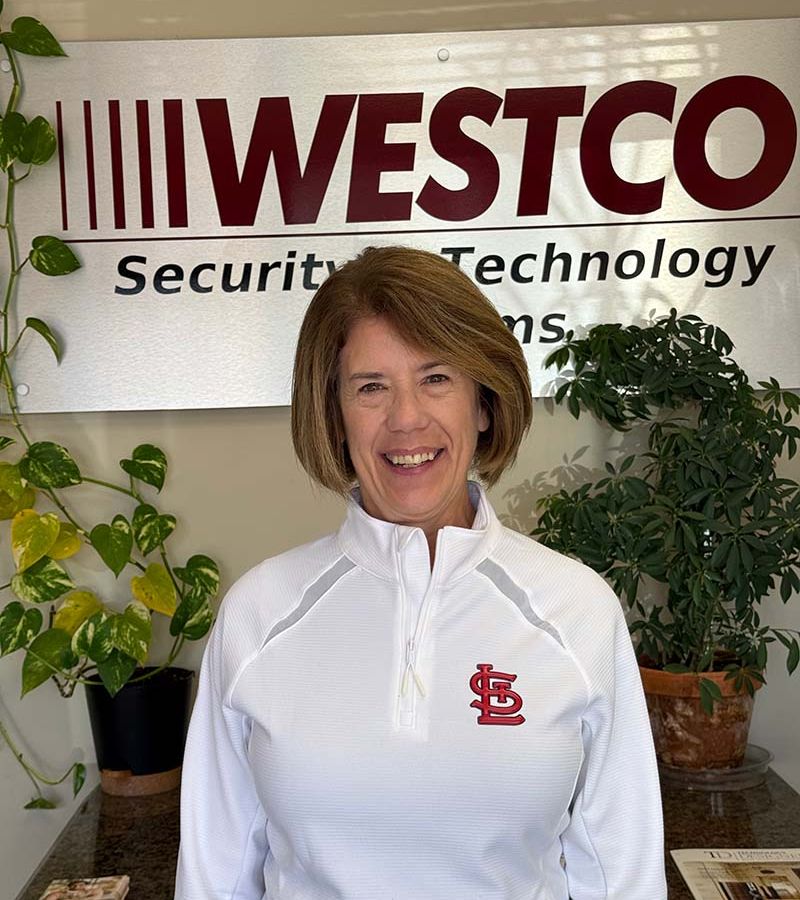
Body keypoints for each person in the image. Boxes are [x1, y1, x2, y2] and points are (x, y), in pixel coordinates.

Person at [175, 245, 667, 899]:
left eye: (436, 378)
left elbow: (621, 877)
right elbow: (214, 877)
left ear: (484, 403)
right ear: (335, 414)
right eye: (371, 387)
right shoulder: (259, 612)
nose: (406, 419)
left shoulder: (577, 609)